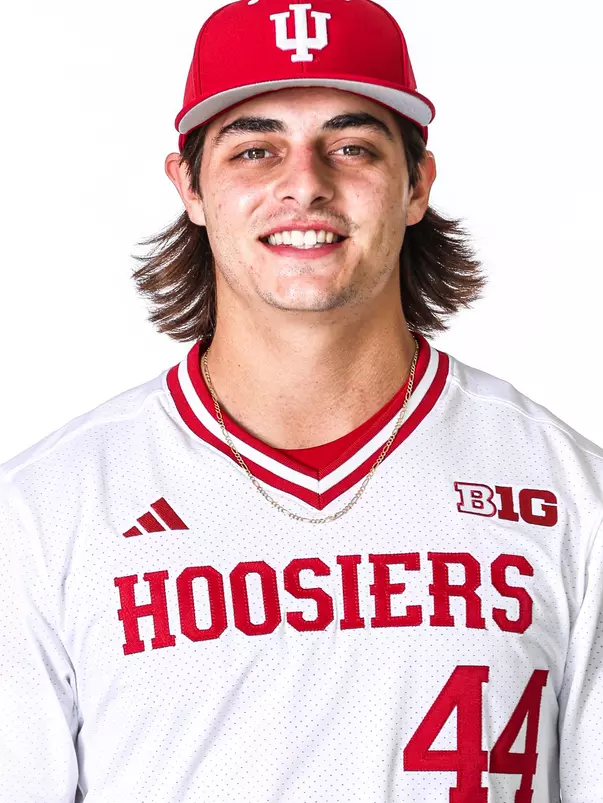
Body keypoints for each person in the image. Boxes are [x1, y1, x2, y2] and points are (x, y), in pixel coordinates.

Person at [1, 0, 602, 800]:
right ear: (190, 185)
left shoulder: (570, 494)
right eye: (255, 150)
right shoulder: (46, 510)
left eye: (350, 147)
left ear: (416, 183)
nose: (304, 186)